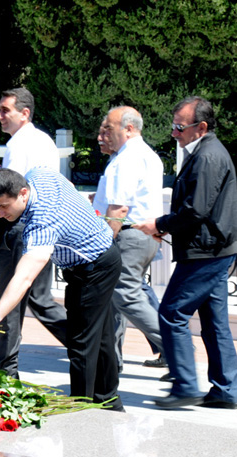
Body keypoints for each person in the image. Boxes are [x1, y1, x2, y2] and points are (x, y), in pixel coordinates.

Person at [0, 167, 124, 411]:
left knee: (81, 344)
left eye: (4, 206)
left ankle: (81, 411)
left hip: (92, 268)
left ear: (23, 193)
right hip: (105, 256)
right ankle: (109, 402)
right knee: (101, 337)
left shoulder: (42, 223)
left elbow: (24, 277)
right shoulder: (39, 175)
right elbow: (69, 184)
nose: (0, 215)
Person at [134, 96, 237, 409]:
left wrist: (160, 223)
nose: (174, 133)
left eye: (180, 126)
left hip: (207, 251)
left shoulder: (208, 156)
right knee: (215, 322)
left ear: (201, 127)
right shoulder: (204, 152)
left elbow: (196, 210)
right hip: (213, 248)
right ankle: (225, 390)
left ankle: (186, 386)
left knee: (171, 313)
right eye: (174, 125)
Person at [0, 88, 66, 379]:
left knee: (9, 296)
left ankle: (6, 368)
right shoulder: (45, 140)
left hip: (17, 226)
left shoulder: (18, 144)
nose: (0, 116)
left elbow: (6, 190)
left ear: (25, 113)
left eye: (6, 110)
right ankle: (91, 346)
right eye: (0, 110)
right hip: (42, 224)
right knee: (41, 299)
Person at [92, 107, 166, 373]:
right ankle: (111, 360)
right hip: (140, 236)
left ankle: (174, 346)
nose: (103, 135)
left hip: (128, 236)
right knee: (115, 298)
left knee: (126, 295)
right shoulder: (145, 155)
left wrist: (103, 246)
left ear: (129, 129)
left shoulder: (126, 159)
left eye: (108, 129)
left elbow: (119, 209)